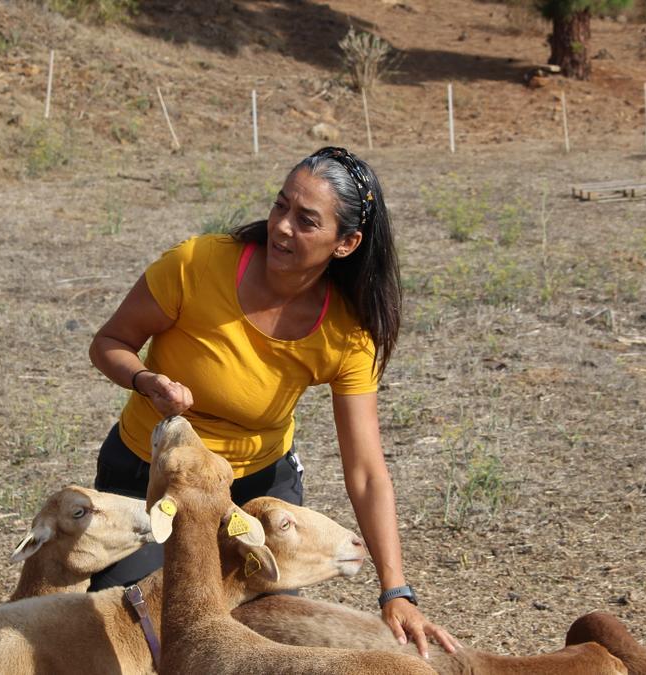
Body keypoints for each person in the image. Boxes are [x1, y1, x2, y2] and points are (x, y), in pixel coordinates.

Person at [88, 146, 459, 657]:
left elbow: (368, 470)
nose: (282, 227)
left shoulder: (347, 332)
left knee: (264, 639)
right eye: (281, 205)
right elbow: (108, 344)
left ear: (346, 243)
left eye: (306, 221)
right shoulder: (197, 264)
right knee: (135, 631)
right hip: (153, 478)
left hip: (255, 493)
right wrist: (147, 380)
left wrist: (395, 590)